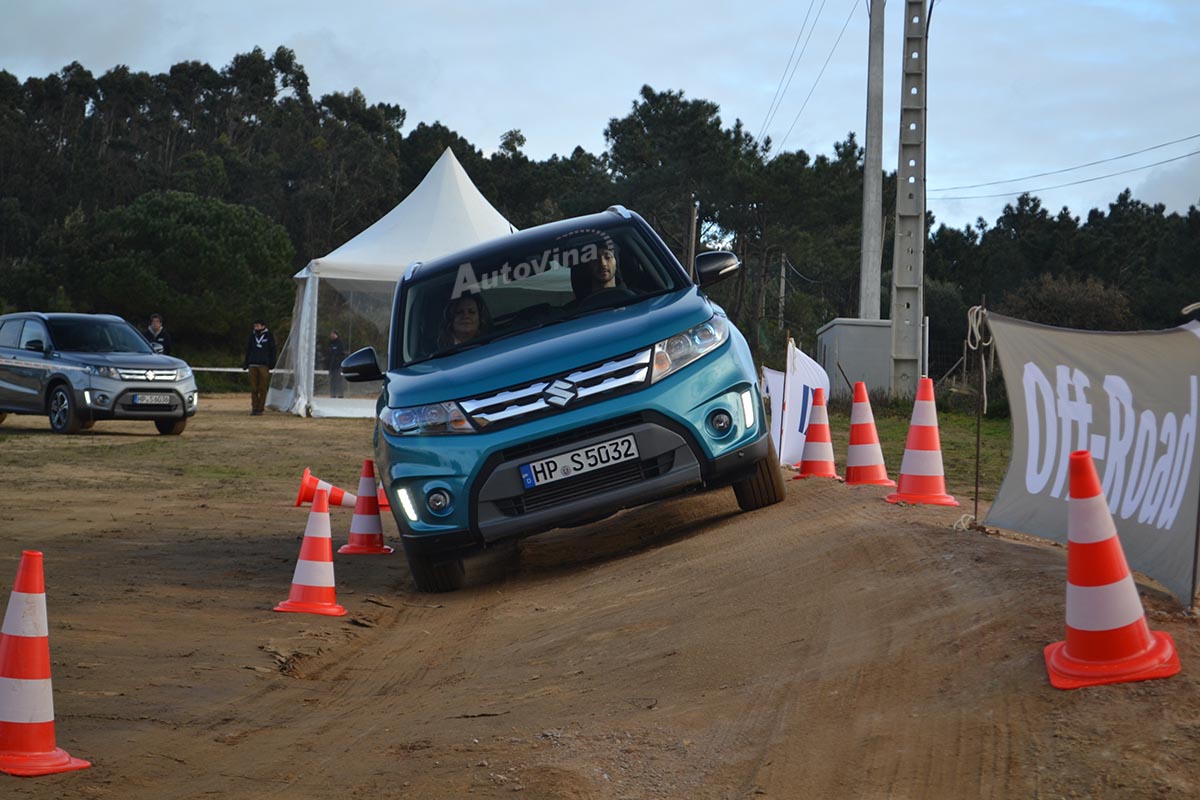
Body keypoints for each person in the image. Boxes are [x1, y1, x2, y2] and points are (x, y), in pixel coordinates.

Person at [242, 318, 277, 416]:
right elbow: (248, 350)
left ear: (263, 326)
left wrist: (272, 363)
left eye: (257, 326)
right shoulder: (252, 336)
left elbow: (273, 350)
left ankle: (260, 408)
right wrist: (246, 362)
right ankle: (254, 407)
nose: (256, 328)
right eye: (255, 326)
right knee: (254, 388)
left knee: (262, 387)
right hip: (253, 364)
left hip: (263, 365)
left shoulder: (269, 336)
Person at [325, 330, 346, 398]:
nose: (332, 335)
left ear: (337, 335)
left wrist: (338, 361)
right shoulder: (329, 344)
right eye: (331, 334)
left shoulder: (340, 344)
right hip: (331, 366)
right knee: (332, 380)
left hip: (338, 366)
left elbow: (342, 354)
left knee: (338, 380)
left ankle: (340, 394)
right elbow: (327, 354)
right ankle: (332, 394)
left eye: (334, 334)